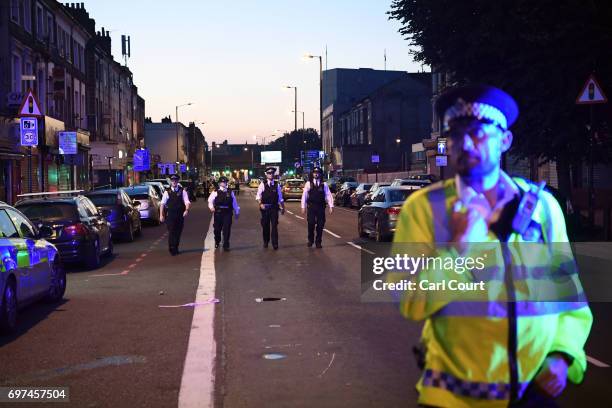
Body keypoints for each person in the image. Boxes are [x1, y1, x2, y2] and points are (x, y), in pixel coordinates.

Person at [391, 85, 592, 407]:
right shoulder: (423, 208)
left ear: (505, 141)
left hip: (534, 394)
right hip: (454, 398)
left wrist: (562, 353)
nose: (464, 144)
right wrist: (459, 251)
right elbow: (408, 300)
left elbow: (569, 295)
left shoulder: (541, 208)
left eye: (478, 133)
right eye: (455, 135)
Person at [301, 167, 334, 248]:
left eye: (318, 172)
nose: (316, 174)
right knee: (311, 223)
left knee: (320, 225)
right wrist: (303, 206)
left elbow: (328, 195)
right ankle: (310, 240)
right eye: (314, 172)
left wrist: (331, 206)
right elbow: (304, 195)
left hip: (321, 207)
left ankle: (318, 242)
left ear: (320, 174)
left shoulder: (324, 184)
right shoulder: (308, 183)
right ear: (312, 174)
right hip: (311, 207)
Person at [160, 174, 191, 255]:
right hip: (170, 215)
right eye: (172, 180)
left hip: (180, 215)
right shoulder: (167, 191)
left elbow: (187, 201)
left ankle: (176, 247)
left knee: (178, 232)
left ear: (177, 181)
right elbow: (162, 204)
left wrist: (186, 210)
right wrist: (161, 215)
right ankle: (171, 247)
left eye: (175, 180)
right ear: (170, 181)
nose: (174, 182)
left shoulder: (182, 191)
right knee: (171, 231)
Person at [256, 167, 285, 249]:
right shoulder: (263, 184)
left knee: (274, 226)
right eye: (269, 173)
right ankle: (266, 241)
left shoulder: (277, 185)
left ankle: (275, 243)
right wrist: (260, 203)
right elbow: (258, 196)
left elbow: (280, 197)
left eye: (272, 173)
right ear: (266, 174)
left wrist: (283, 207)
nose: (271, 175)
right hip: (265, 208)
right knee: (265, 226)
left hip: (274, 208)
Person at [208, 176, 239, 251]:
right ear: (219, 183)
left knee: (227, 229)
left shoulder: (230, 192)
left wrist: (237, 212)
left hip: (227, 213)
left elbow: (234, 203)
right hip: (218, 213)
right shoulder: (215, 191)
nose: (223, 183)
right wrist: (211, 207)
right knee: (217, 229)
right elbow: (210, 201)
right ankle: (217, 241)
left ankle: (226, 245)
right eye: (222, 182)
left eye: (225, 182)